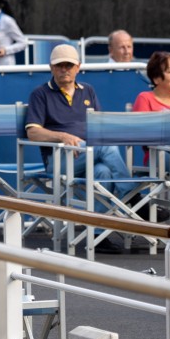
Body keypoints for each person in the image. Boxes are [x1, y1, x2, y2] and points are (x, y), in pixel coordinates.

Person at [25, 44, 137, 254]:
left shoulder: (88, 91)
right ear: (51, 68)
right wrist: (63, 136)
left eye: (69, 65)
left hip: (88, 155)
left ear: (78, 67)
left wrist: (86, 143)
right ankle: (131, 196)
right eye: (60, 66)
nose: (64, 69)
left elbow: (99, 126)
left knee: (103, 172)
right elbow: (33, 133)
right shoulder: (40, 94)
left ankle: (97, 236)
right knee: (106, 147)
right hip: (59, 160)